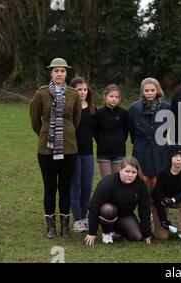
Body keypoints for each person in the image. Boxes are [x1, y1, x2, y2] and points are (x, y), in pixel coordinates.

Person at [29, 57, 81, 239]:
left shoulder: (74, 94)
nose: (59, 74)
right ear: (50, 73)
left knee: (65, 187)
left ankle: (65, 226)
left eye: (63, 71)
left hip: (68, 148)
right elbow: (35, 120)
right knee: (50, 187)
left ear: (66, 73)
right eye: (56, 71)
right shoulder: (42, 93)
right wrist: (46, 136)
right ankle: (50, 226)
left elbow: (76, 120)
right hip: (46, 149)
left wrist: (64, 135)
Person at [85, 156, 152, 246]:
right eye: (127, 171)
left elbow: (144, 208)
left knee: (137, 237)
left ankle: (115, 229)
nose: (130, 175)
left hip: (125, 215)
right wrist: (92, 232)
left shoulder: (140, 184)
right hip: (107, 212)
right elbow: (94, 207)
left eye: (134, 172)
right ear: (120, 170)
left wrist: (146, 232)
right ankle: (107, 233)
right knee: (108, 209)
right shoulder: (107, 183)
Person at [128, 78, 171, 191]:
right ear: (142, 91)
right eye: (146, 90)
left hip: (160, 150)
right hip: (141, 149)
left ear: (157, 90)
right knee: (143, 182)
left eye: (152, 90)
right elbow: (131, 130)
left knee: (158, 182)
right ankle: (145, 208)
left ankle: (159, 208)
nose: (149, 93)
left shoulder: (167, 107)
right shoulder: (134, 108)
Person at [69, 77, 97, 233]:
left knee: (87, 186)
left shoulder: (92, 109)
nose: (82, 92)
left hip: (88, 152)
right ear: (73, 91)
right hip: (73, 152)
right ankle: (77, 219)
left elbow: (97, 131)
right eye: (79, 89)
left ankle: (84, 217)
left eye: (85, 89)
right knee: (75, 186)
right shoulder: (70, 107)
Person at [151, 146, 181, 243]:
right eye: (175, 156)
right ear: (170, 158)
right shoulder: (162, 172)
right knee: (162, 237)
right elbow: (158, 196)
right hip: (162, 202)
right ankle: (153, 222)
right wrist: (162, 219)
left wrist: (174, 199)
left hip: (177, 199)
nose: (178, 159)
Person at [94, 84, 129, 178]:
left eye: (116, 97)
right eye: (111, 96)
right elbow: (95, 132)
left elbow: (125, 132)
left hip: (119, 153)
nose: (114, 99)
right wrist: (103, 142)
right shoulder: (99, 113)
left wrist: (119, 141)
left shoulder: (124, 113)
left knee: (117, 180)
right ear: (105, 97)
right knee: (106, 181)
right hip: (103, 154)